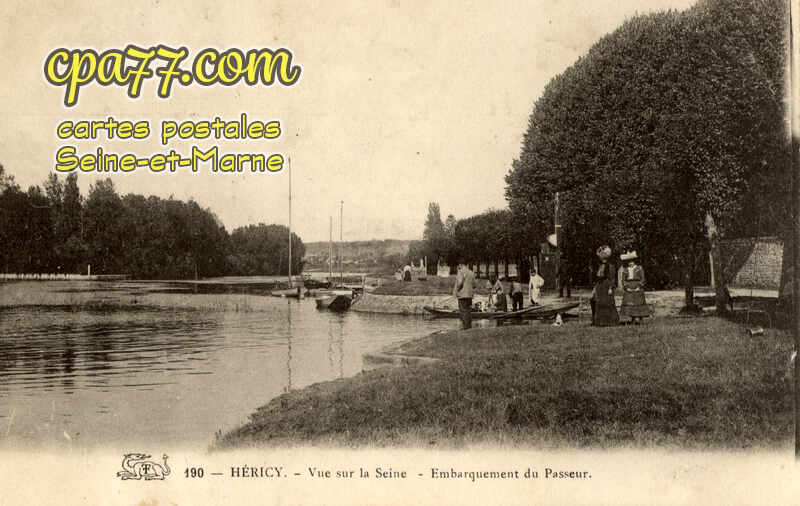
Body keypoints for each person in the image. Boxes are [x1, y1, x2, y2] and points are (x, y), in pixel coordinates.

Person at [591, 245, 619, 326]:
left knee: (608, 302)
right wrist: (594, 288)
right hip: (600, 286)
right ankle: (600, 322)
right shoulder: (599, 266)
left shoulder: (610, 266)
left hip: (607, 285)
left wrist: (610, 288)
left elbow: (612, 278)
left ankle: (610, 321)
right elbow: (597, 278)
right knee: (599, 302)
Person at [619, 251, 649, 324]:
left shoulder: (639, 268)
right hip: (629, 285)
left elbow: (643, 279)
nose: (630, 263)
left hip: (637, 285)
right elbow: (623, 280)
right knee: (630, 302)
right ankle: (632, 318)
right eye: (629, 262)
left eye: (632, 261)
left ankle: (639, 318)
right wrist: (626, 287)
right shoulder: (625, 270)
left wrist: (639, 286)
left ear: (634, 261)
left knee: (638, 301)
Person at [453, 263, 476, 329]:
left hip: (462, 294)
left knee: (463, 310)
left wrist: (457, 290)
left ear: (460, 264)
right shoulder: (471, 272)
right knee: (468, 310)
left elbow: (460, 283)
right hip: (470, 295)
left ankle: (465, 327)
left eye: (458, 265)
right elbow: (474, 285)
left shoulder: (460, 272)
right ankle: (469, 326)